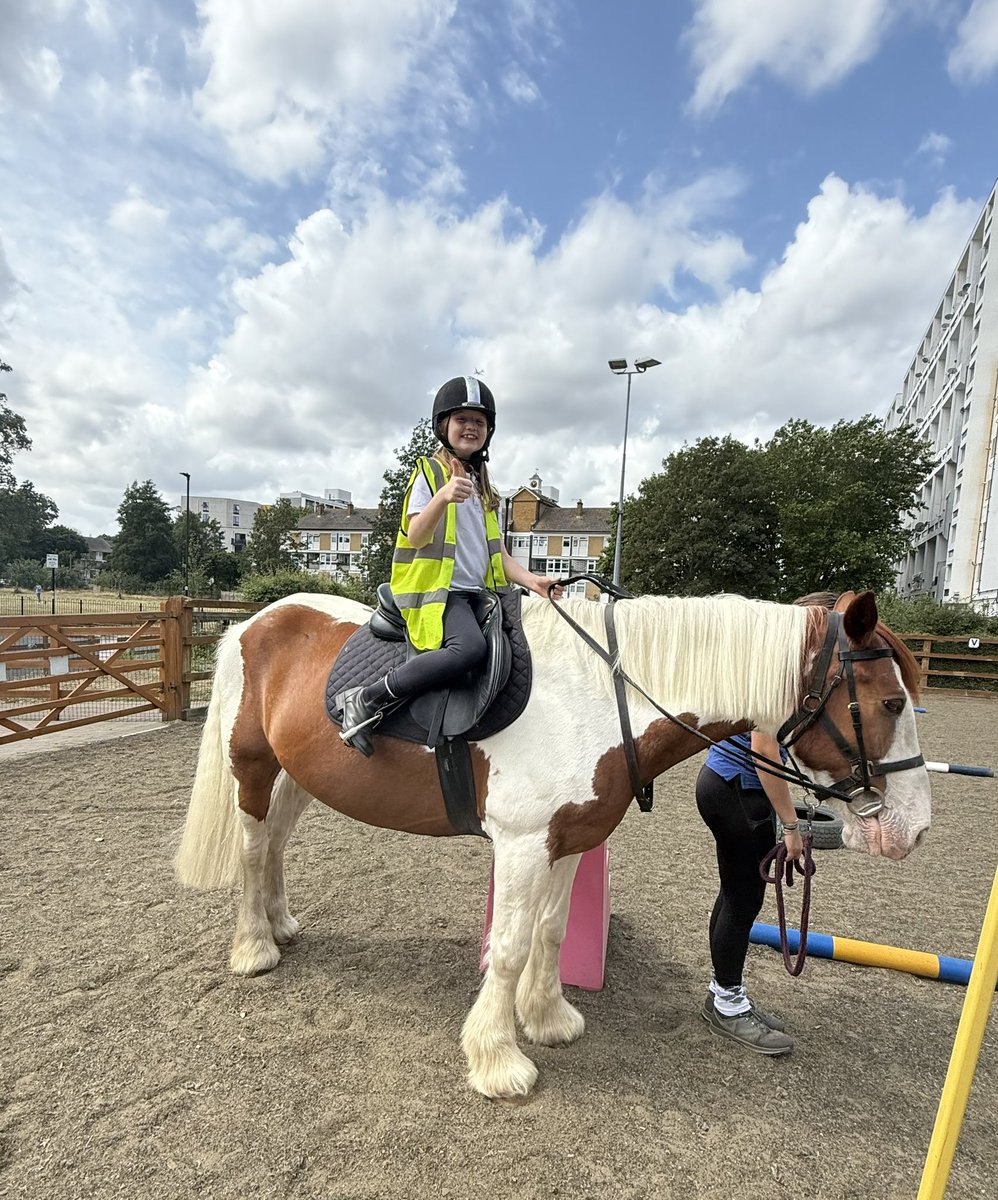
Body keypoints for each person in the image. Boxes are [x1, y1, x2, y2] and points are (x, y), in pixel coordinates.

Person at [337, 376, 563, 755]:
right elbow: (415, 533)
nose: (471, 428)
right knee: (468, 649)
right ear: (444, 427)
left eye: (479, 422)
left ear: (488, 432)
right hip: (437, 593)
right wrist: (442, 498)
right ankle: (366, 698)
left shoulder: (484, 487)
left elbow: (498, 555)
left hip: (478, 593)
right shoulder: (429, 473)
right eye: (462, 420)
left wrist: (534, 581)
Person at [698, 728, 803, 1055]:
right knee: (743, 899)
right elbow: (763, 750)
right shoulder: (781, 679)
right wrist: (791, 824)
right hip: (741, 789)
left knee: (734, 894)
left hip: (725, 781)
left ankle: (722, 993)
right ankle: (728, 1005)